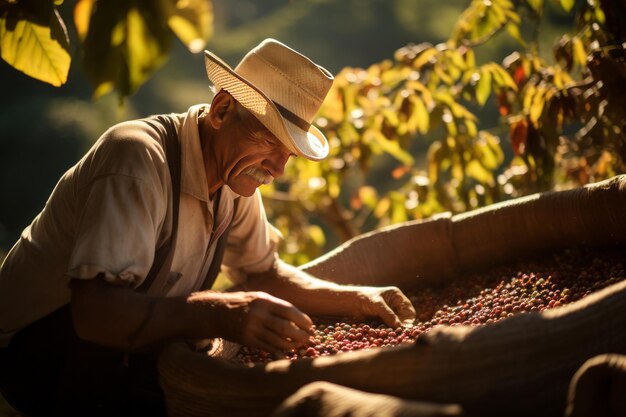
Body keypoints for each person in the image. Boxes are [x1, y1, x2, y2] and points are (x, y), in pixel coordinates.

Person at [0, 38, 416, 416]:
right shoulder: (138, 162)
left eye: (288, 154)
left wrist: (356, 299)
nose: (278, 169)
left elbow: (263, 272)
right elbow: (94, 315)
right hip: (41, 355)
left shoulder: (237, 183)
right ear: (221, 110)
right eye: (270, 143)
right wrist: (219, 313)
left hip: (122, 352)